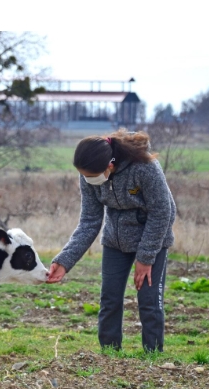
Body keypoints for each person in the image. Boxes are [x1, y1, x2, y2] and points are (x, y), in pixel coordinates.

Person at [47, 129, 176, 353]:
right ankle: (109, 355)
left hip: (152, 237)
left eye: (91, 175)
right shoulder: (90, 175)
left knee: (149, 302)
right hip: (115, 241)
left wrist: (145, 258)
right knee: (110, 299)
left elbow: (163, 213)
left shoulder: (144, 168)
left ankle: (153, 357)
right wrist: (65, 261)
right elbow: (89, 221)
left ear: (110, 164)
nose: (88, 180)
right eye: (84, 175)